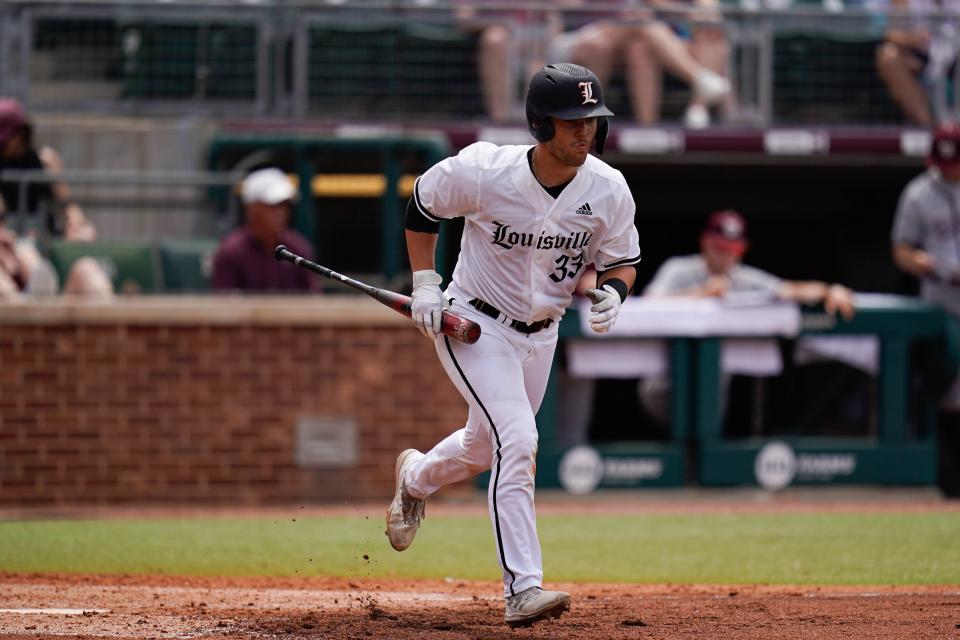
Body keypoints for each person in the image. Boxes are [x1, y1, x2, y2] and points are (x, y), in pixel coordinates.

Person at [386, 63, 640, 627]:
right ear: (539, 123)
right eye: (571, 121)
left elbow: (623, 258)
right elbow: (423, 203)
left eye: (592, 121)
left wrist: (616, 293)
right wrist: (425, 282)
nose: (585, 132)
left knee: (485, 449)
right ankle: (523, 588)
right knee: (519, 439)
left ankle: (415, 478)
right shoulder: (484, 171)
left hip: (542, 333)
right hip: (474, 324)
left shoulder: (607, 187)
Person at [639, 209, 856, 422]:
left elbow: (786, 289)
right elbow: (649, 302)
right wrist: (701, 294)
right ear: (705, 242)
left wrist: (829, 290)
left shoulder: (741, 277)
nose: (728, 256)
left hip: (713, 391)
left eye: (734, 249)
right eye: (721, 247)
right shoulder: (679, 268)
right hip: (663, 384)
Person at [890, 121, 960, 494]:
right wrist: (925, 263)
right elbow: (901, 250)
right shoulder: (918, 193)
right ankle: (948, 480)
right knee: (948, 387)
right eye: (942, 161)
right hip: (941, 302)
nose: (948, 168)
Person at [0, 98, 113, 299]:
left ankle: (42, 290)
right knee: (24, 247)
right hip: (14, 242)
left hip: (47, 237)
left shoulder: (46, 160)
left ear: (21, 133)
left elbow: (68, 206)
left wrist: (79, 225)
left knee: (88, 269)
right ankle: (37, 291)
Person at [562, 0, 732, 128]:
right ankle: (700, 79)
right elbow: (568, 5)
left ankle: (649, 125)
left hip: (624, 35)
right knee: (639, 27)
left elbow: (708, 7)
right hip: (580, 33)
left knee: (640, 47)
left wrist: (700, 13)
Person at [211, 167, 319, 293]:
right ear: (251, 209)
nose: (281, 212)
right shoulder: (230, 252)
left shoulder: (298, 247)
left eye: (285, 205)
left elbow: (313, 300)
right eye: (273, 205)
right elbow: (224, 305)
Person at [875, 0, 960, 127]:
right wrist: (912, 39)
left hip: (954, 58)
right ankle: (929, 127)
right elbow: (891, 33)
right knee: (888, 55)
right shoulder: (905, 2)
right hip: (921, 56)